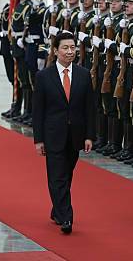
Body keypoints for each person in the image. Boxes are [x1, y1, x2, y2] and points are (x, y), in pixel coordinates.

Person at [32, 31, 96, 234]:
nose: (70, 52)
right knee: (57, 177)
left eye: (72, 47)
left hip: (75, 135)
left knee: (66, 175)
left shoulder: (84, 74)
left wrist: (89, 135)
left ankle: (57, 210)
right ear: (55, 50)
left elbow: (90, 109)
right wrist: (38, 140)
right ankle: (67, 217)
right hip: (53, 135)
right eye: (65, 48)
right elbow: (38, 111)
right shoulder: (44, 76)